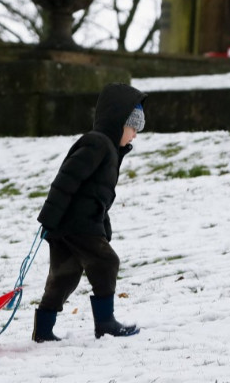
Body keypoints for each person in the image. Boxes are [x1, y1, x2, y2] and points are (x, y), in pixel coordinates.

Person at [32, 82, 146, 342]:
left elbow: (96, 196)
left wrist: (103, 223)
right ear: (118, 122)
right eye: (133, 127)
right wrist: (48, 218)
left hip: (71, 224)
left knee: (65, 274)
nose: (135, 135)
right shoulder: (97, 144)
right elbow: (66, 180)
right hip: (76, 223)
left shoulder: (109, 150)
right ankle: (105, 323)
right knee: (106, 262)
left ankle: (43, 329)